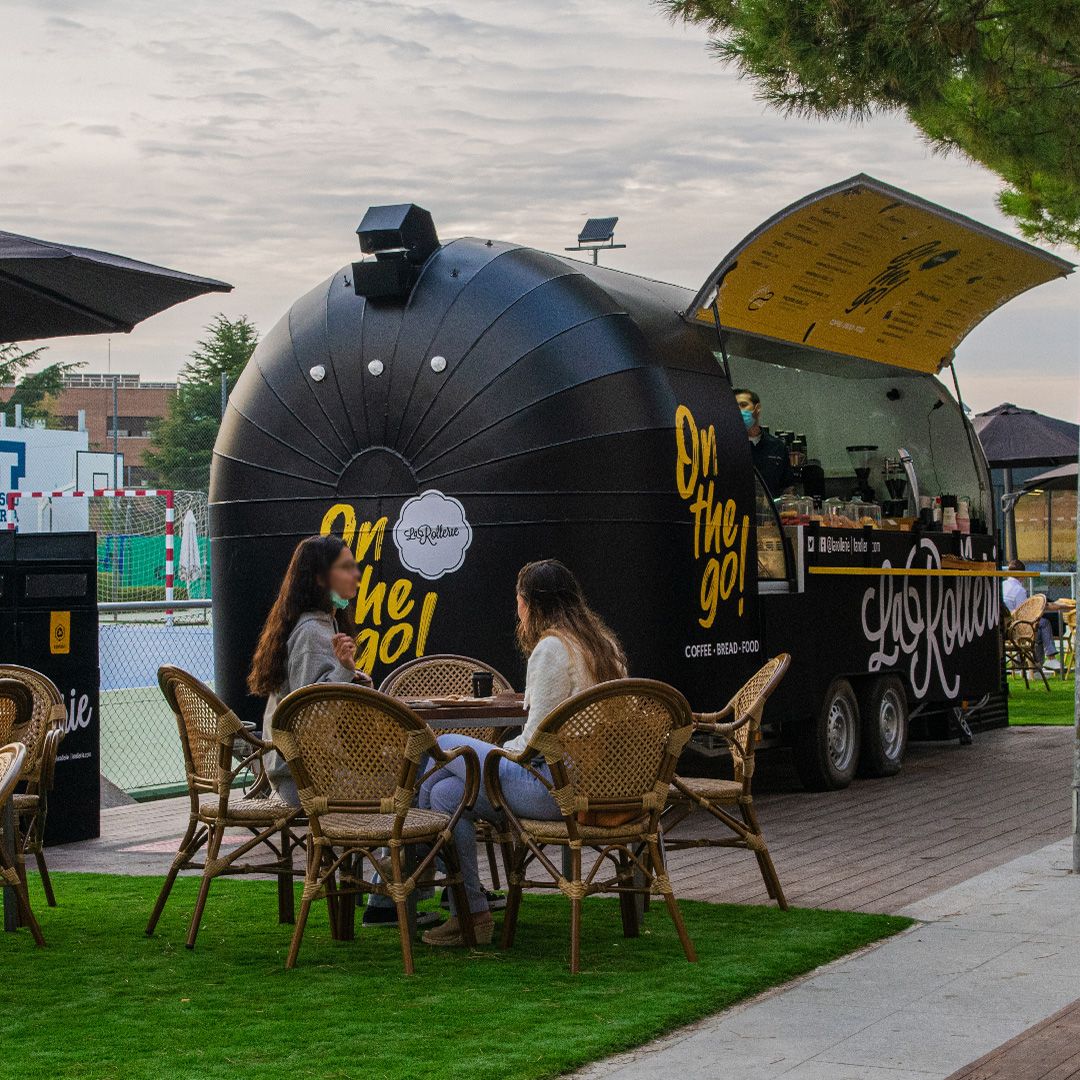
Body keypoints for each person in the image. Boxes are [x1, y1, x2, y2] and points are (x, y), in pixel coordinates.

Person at [419, 559, 628, 947]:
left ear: (530, 603)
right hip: (600, 786)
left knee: (444, 747)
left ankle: (407, 874)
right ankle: (472, 913)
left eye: (519, 599)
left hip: (556, 790)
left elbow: (535, 741)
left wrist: (493, 753)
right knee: (444, 795)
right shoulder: (604, 645)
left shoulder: (552, 648)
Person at [247, 534, 371, 804]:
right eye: (345, 567)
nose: (355, 574)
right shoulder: (312, 632)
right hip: (304, 780)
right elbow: (308, 720)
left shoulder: (325, 623)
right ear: (319, 578)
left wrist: (352, 677)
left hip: (310, 773)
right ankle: (394, 845)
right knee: (414, 782)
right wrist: (344, 671)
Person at [734, 388, 794, 495]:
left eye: (743, 405)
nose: (739, 410)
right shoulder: (727, 446)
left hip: (771, 510)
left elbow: (787, 488)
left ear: (757, 409)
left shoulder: (777, 446)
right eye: (734, 407)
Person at [1002, 559, 1060, 669]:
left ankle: (1028, 665)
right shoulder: (1019, 590)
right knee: (1043, 624)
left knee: (1040, 628)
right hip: (1017, 627)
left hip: (1005, 626)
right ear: (1022, 574)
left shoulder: (1002, 585)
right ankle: (1050, 658)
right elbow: (1024, 614)